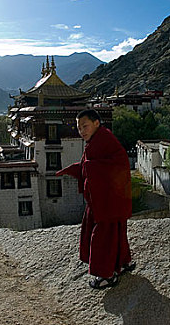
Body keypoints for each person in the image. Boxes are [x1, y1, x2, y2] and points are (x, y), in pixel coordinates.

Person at [56, 109, 135, 289]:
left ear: (96, 123)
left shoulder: (103, 141)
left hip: (109, 199)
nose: (82, 131)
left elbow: (119, 163)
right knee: (115, 232)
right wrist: (76, 169)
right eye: (79, 128)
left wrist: (87, 168)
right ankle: (123, 263)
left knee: (102, 236)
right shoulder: (97, 140)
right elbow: (91, 166)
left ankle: (106, 275)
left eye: (85, 126)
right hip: (110, 197)